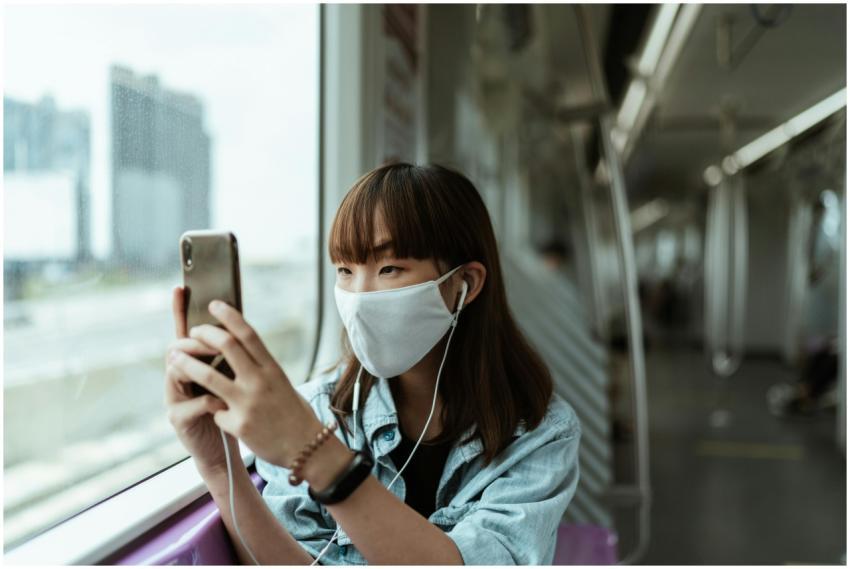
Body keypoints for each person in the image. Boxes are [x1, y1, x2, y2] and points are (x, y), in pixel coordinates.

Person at [164, 163, 581, 565]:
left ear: (464, 284)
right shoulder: (318, 409)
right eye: (345, 270)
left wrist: (314, 452)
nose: (359, 297)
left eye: (388, 268)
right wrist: (219, 465)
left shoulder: (541, 434)